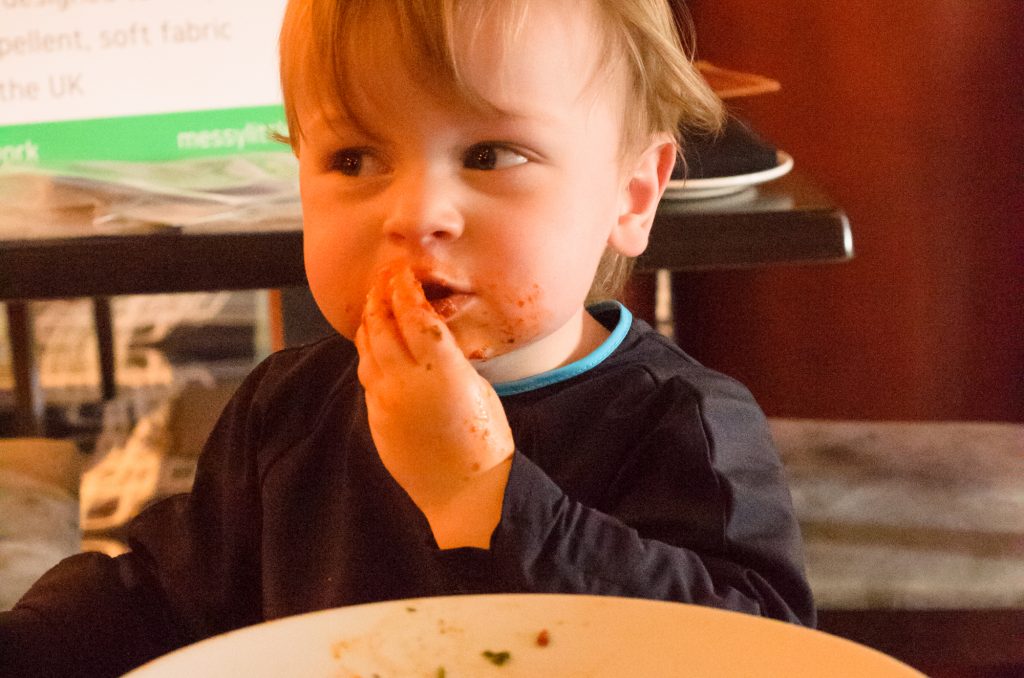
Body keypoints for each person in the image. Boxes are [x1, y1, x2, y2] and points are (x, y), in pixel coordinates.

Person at [0, 0, 814, 674]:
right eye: (353, 159)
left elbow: (757, 652)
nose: (415, 214)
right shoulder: (289, 410)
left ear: (631, 194)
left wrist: (486, 498)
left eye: (491, 154)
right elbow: (157, 605)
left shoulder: (684, 423)